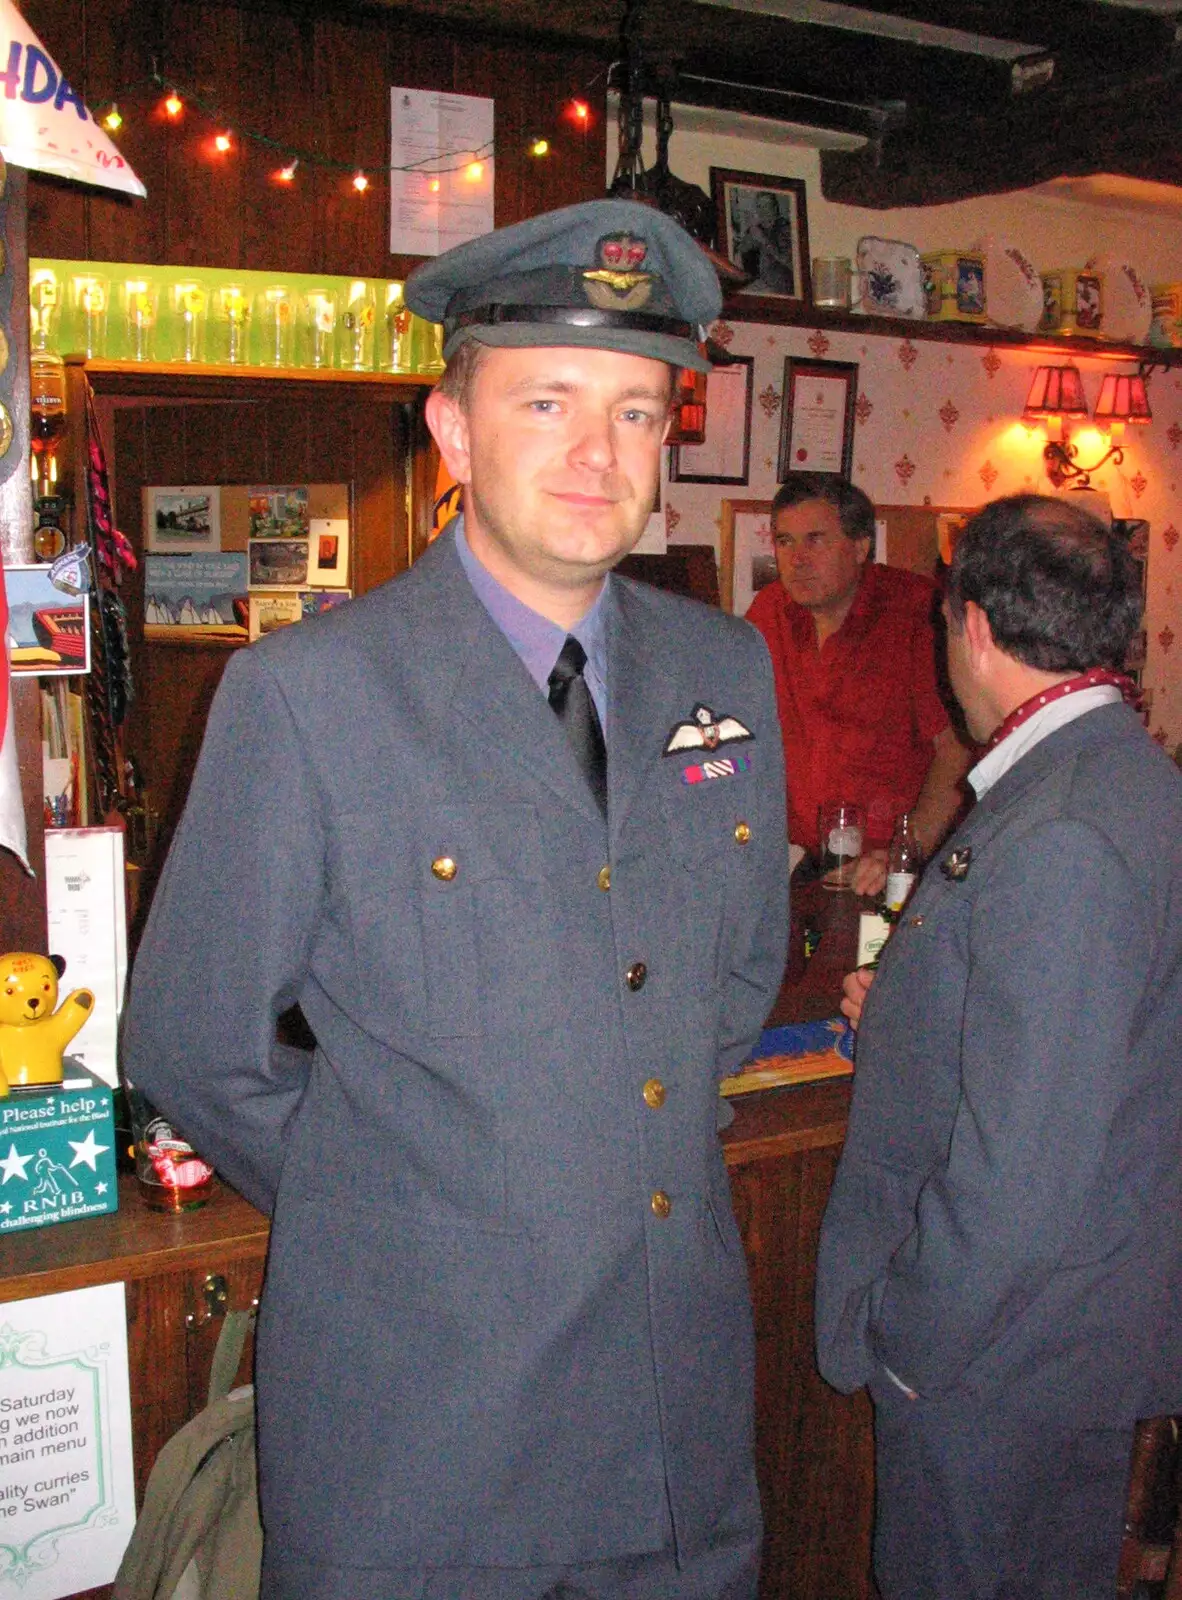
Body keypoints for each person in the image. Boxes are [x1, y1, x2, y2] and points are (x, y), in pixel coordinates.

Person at [121, 198, 789, 1600]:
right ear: (452, 430)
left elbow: (727, 987)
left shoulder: (721, 670)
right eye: (545, 400)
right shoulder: (309, 693)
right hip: (422, 1437)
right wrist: (408, 1202)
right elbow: (191, 1041)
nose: (596, 454)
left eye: (634, 410)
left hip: (670, 1430)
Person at [815, 493, 1182, 1599]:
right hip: (1063, 1333)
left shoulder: (1062, 822)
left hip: (995, 1356)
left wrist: (910, 1341)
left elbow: (1021, 1169)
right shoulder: (1123, 770)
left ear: (972, 625)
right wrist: (925, 1012)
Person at [745, 473, 971, 889]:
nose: (797, 559)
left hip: (898, 865)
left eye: (815, 540)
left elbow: (955, 752)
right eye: (784, 541)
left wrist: (905, 850)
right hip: (804, 860)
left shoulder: (917, 614)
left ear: (861, 546)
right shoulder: (769, 611)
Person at [734, 190, 795, 296]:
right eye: (759, 207)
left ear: (775, 208)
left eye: (766, 206)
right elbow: (740, 251)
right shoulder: (757, 228)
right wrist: (744, 240)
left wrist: (763, 240)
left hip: (781, 287)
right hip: (761, 283)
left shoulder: (784, 228)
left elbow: (789, 262)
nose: (763, 211)